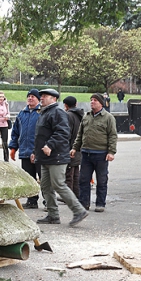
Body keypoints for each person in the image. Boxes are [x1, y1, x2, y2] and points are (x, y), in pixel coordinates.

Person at [32, 88, 88, 226]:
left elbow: (63, 133)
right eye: (41, 96)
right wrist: (35, 152)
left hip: (56, 156)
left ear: (54, 99)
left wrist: (50, 145)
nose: (42, 98)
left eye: (45, 96)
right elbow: (40, 136)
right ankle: (53, 215)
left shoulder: (57, 112)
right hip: (45, 157)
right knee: (45, 186)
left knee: (59, 184)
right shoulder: (44, 113)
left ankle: (79, 210)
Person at [71, 93, 117, 213]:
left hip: (101, 154)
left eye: (95, 100)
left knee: (101, 180)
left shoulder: (108, 117)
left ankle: (100, 203)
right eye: (91, 100)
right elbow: (80, 134)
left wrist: (111, 152)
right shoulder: (86, 116)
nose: (92, 102)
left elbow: (112, 135)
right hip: (86, 153)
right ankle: (84, 203)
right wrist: (75, 148)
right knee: (83, 179)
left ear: (101, 103)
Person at [8, 88, 42, 208]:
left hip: (39, 151)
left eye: (33, 96)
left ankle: (48, 202)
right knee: (29, 178)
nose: (30, 98)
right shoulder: (22, 113)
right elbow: (15, 132)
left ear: (38, 99)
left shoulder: (42, 112)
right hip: (25, 150)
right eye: (29, 96)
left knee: (44, 178)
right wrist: (13, 148)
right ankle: (32, 201)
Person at [63, 96, 84, 198]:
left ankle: (68, 196)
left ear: (66, 105)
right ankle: (77, 194)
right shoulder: (80, 115)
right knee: (75, 173)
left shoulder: (68, 115)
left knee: (68, 174)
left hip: (70, 148)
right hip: (78, 148)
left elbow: (67, 133)